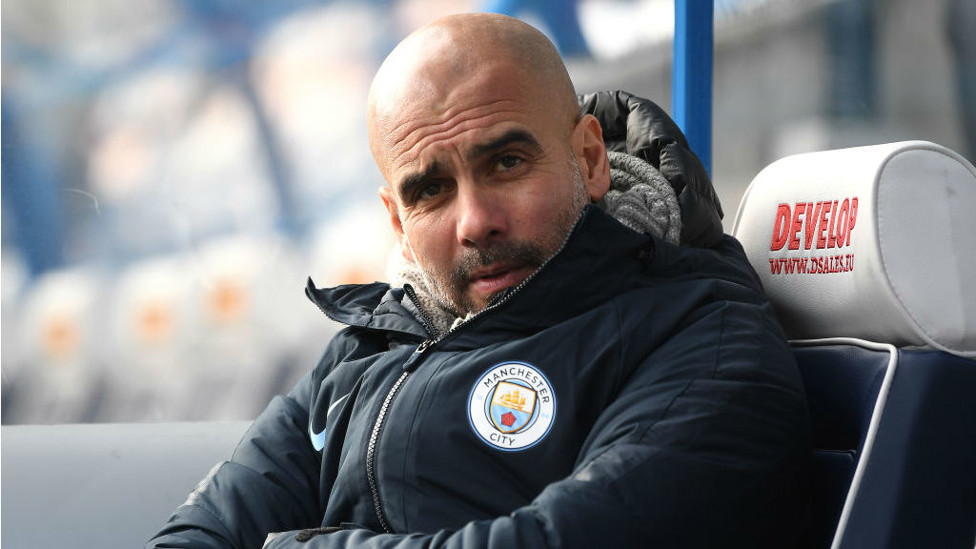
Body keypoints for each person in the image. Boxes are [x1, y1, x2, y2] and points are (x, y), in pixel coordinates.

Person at [149, 13, 809, 549]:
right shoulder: (369, 347)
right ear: (398, 221)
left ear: (589, 157)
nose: (476, 222)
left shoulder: (703, 340)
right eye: (431, 190)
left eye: (508, 162)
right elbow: (202, 531)